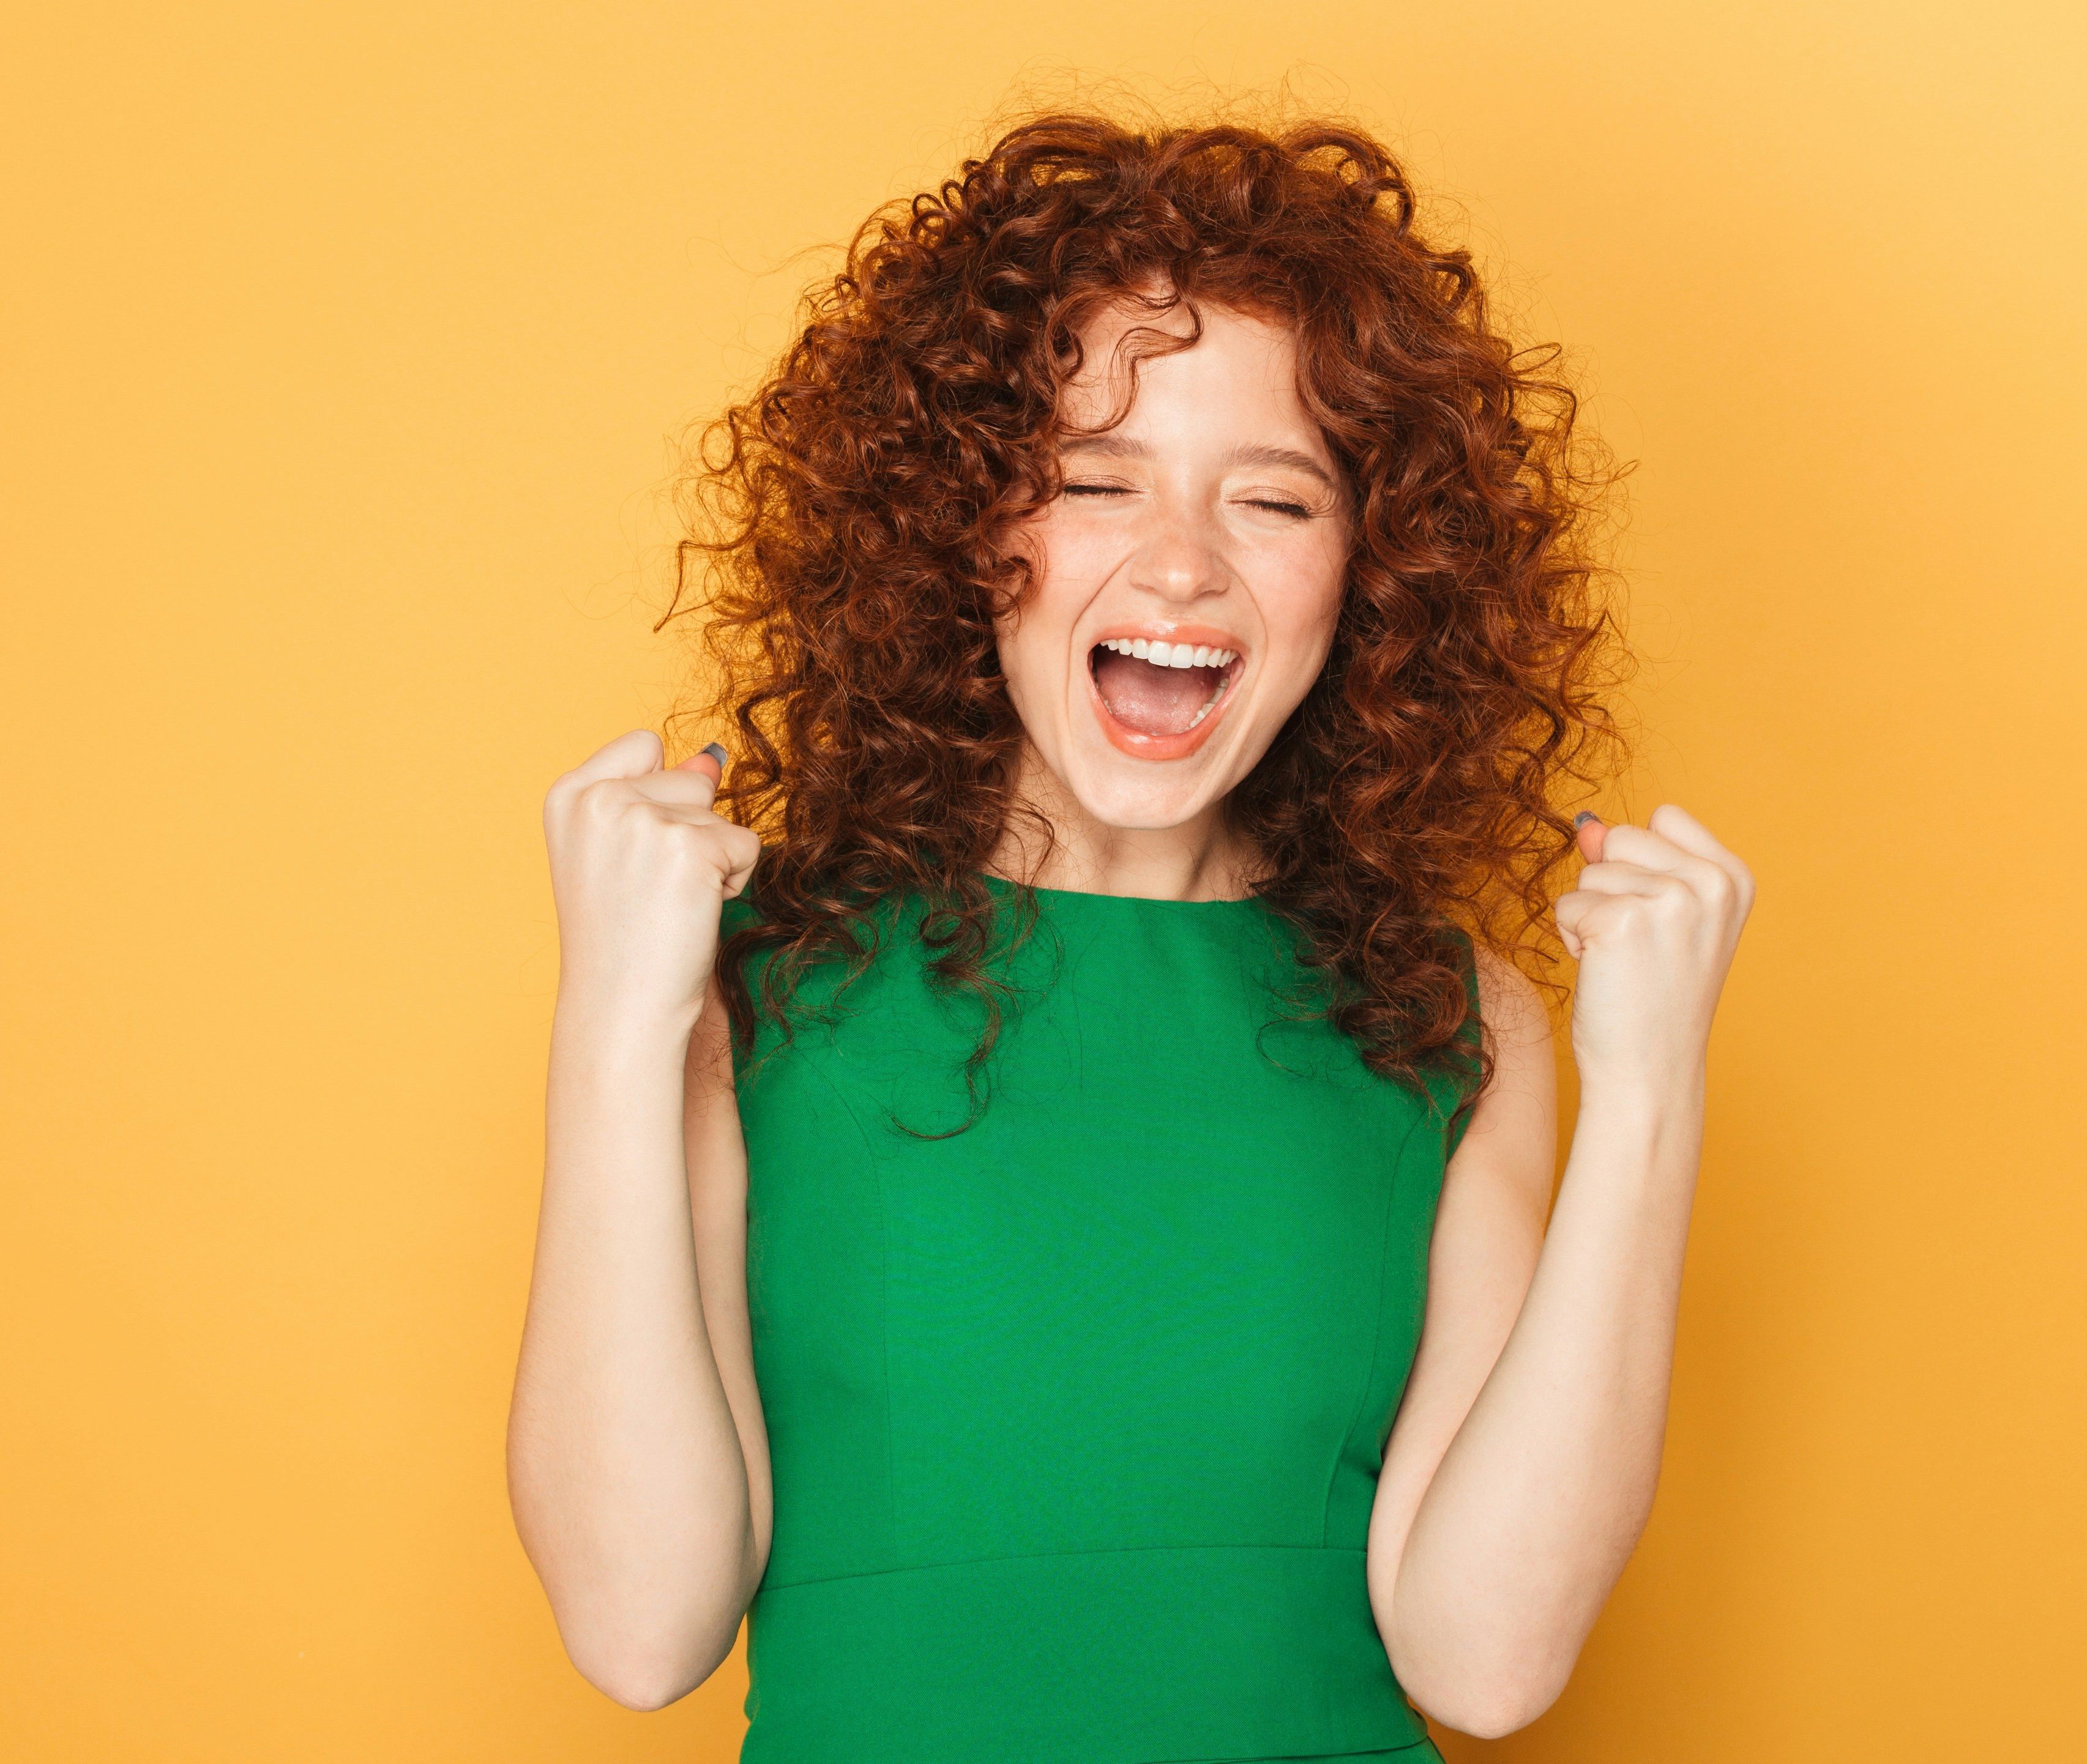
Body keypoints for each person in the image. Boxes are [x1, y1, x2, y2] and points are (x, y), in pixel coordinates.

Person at [507, 111, 1755, 1762]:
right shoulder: (741, 997)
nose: (1179, 563)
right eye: (1093, 481)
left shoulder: (1455, 1023)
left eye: (1275, 500)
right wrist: (610, 1019)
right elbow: (636, 1623)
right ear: (963, 541)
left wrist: (1652, 1087)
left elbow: (1488, 1662)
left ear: (1367, 584)